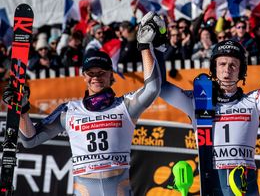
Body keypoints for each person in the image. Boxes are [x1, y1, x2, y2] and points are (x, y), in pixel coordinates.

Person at [3, 12, 163, 195]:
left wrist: (144, 46)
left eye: (101, 72)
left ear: (111, 74)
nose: (96, 77)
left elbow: (152, 88)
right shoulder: (69, 110)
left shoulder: (125, 105)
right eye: (91, 73)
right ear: (83, 76)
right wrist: (22, 109)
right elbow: (30, 140)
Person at [154, 11, 260, 195]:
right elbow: (160, 87)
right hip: (212, 184)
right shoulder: (197, 101)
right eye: (222, 64)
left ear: (241, 71)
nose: (227, 71)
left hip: (244, 186)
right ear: (214, 68)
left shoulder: (253, 102)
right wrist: (158, 46)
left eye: (234, 65)